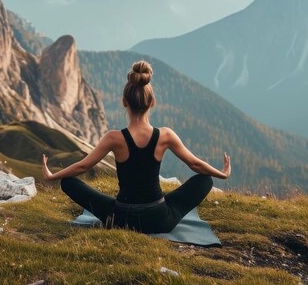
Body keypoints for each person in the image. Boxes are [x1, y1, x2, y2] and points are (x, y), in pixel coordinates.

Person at [41, 60, 231, 234]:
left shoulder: (114, 138)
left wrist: (52, 176)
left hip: (121, 219)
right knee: (205, 181)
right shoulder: (165, 135)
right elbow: (195, 164)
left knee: (68, 182)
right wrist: (221, 173)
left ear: (125, 102)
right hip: (159, 220)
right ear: (152, 103)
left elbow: (83, 166)